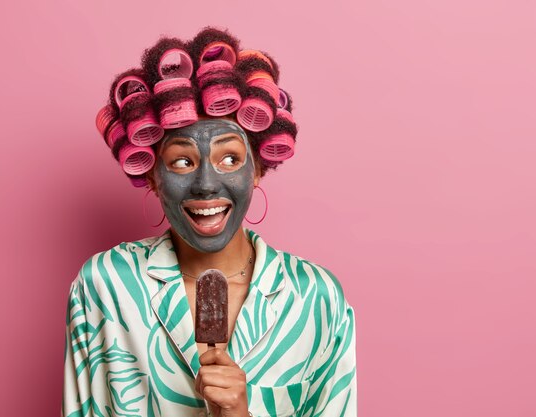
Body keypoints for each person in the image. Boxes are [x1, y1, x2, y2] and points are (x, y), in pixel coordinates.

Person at [62, 27, 356, 417]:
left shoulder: (316, 299)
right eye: (181, 161)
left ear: (258, 169)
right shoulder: (105, 285)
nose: (205, 184)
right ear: (152, 174)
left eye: (230, 159)